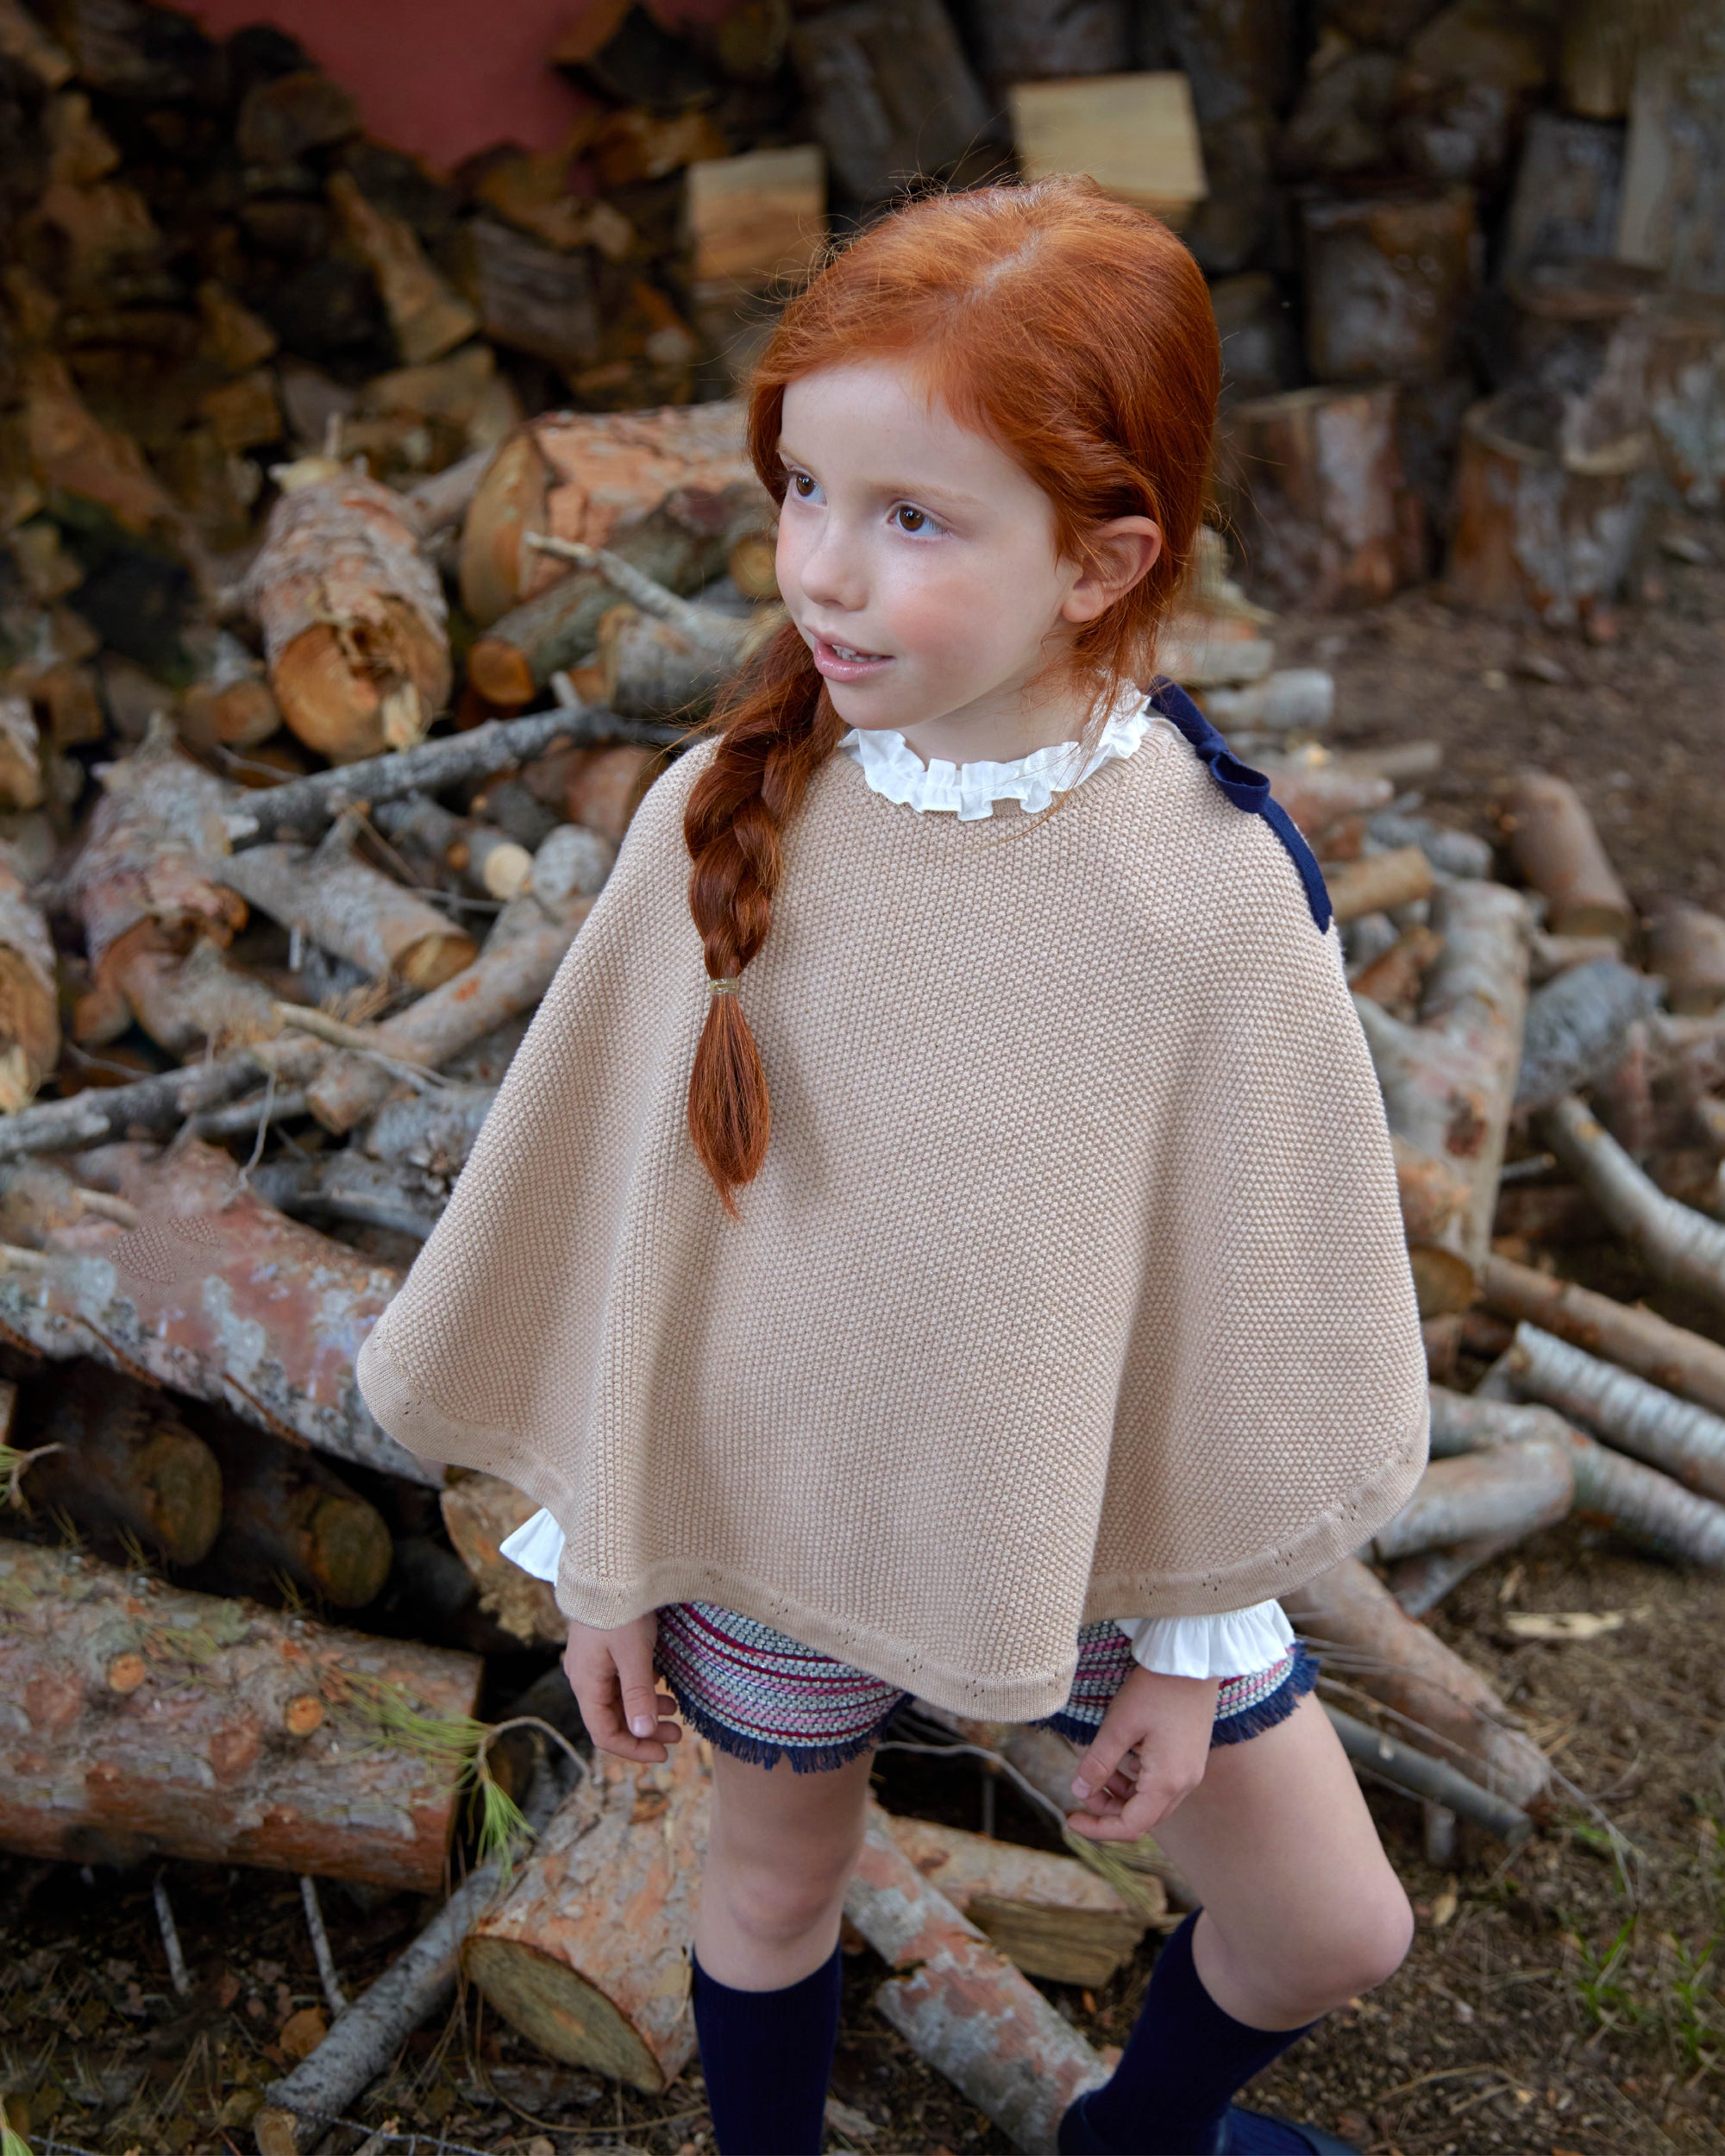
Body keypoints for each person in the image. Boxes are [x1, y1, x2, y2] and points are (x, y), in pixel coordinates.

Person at [355, 172, 1431, 2156]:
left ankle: (1133, 2137)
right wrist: (607, 1536)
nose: (824, 575)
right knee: (771, 1884)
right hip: (777, 1503)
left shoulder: (1203, 889)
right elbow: (633, 1217)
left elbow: (1246, 1290)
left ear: (1102, 557)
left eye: (913, 518)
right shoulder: (731, 811)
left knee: (1328, 1919)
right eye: (803, 491)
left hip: (1077, 1513)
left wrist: (1194, 1636)